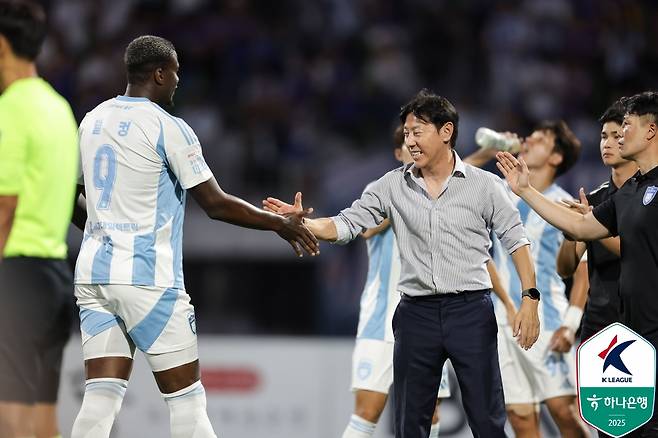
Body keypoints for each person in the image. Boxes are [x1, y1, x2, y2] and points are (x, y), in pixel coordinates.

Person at [70, 35, 319, 438]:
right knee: (186, 401)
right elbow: (215, 204)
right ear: (159, 73)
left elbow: (70, 196)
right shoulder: (168, 127)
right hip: (149, 280)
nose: (178, 82)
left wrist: (104, 231)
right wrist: (279, 223)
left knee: (100, 399)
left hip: (94, 275)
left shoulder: (92, 120)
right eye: (175, 73)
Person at [264, 89, 541, 438]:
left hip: (471, 311)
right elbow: (347, 224)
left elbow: (516, 240)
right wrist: (303, 223)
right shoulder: (391, 186)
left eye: (417, 131)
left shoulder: (485, 186)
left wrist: (529, 298)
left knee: (487, 422)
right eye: (406, 132)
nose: (409, 140)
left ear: (446, 131)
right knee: (410, 426)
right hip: (415, 315)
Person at [496, 90, 658, 437]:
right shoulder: (628, 193)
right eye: (608, 133)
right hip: (617, 331)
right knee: (616, 430)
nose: (616, 137)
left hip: (652, 332)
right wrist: (525, 190)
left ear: (650, 131)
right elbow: (580, 227)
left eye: (625, 127)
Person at [467, 121, 589, 437]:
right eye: (530, 136)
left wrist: (571, 324)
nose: (529, 141)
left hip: (547, 320)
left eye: (540, 139)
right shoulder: (500, 191)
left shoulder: (564, 204)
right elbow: (452, 183)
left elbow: (583, 270)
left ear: (556, 157)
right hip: (502, 319)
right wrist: (486, 153)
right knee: (520, 418)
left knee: (565, 412)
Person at [0, 2, 78, 437]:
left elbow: (4, 206)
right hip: (55, 278)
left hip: (17, 275)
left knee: (10, 418)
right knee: (43, 418)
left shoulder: (11, 109)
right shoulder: (59, 108)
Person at [556, 100, 637, 348]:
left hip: (641, 323)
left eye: (616, 136)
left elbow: (638, 252)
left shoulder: (649, 195)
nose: (607, 143)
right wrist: (571, 231)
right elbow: (565, 268)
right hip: (598, 327)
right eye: (603, 136)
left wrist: (591, 223)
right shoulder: (593, 200)